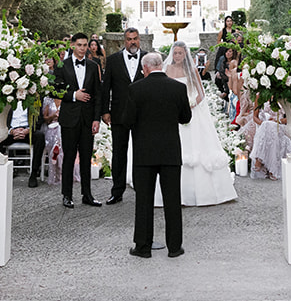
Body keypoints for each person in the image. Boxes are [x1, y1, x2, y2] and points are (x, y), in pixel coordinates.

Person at [146, 41, 237, 206]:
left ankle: (201, 192)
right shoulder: (166, 70)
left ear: (185, 54)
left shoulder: (192, 70)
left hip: (190, 112)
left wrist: (191, 104)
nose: (178, 56)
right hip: (173, 115)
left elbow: (200, 94)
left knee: (195, 148)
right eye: (175, 53)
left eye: (181, 53)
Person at [118, 52, 191, 258]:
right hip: (170, 152)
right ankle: (175, 247)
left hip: (144, 153)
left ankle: (143, 246)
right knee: (172, 200)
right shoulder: (178, 88)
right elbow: (186, 117)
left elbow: (127, 120)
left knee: (144, 200)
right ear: (161, 65)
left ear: (146, 68)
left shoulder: (135, 89)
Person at [54, 31, 102, 208]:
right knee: (69, 157)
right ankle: (67, 195)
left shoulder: (92, 65)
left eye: (85, 45)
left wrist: (97, 119)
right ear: (73, 45)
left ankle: (87, 194)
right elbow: (55, 90)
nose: (82, 48)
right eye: (79, 45)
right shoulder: (62, 65)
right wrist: (74, 95)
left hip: (88, 119)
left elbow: (98, 94)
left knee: (86, 157)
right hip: (69, 118)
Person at [99, 27, 145, 205]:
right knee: (119, 153)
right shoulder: (112, 60)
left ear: (139, 39)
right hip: (119, 114)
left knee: (142, 153)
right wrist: (105, 111)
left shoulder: (148, 58)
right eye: (129, 39)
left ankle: (143, 190)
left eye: (135, 39)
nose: (132, 42)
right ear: (123, 41)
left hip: (143, 114)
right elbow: (106, 88)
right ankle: (117, 192)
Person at [248, 100, 290, 179]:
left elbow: (290, 118)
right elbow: (254, 117)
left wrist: (278, 121)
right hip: (264, 126)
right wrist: (263, 124)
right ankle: (272, 170)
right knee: (268, 125)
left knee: (270, 126)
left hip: (280, 126)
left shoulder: (283, 96)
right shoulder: (260, 95)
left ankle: (259, 159)